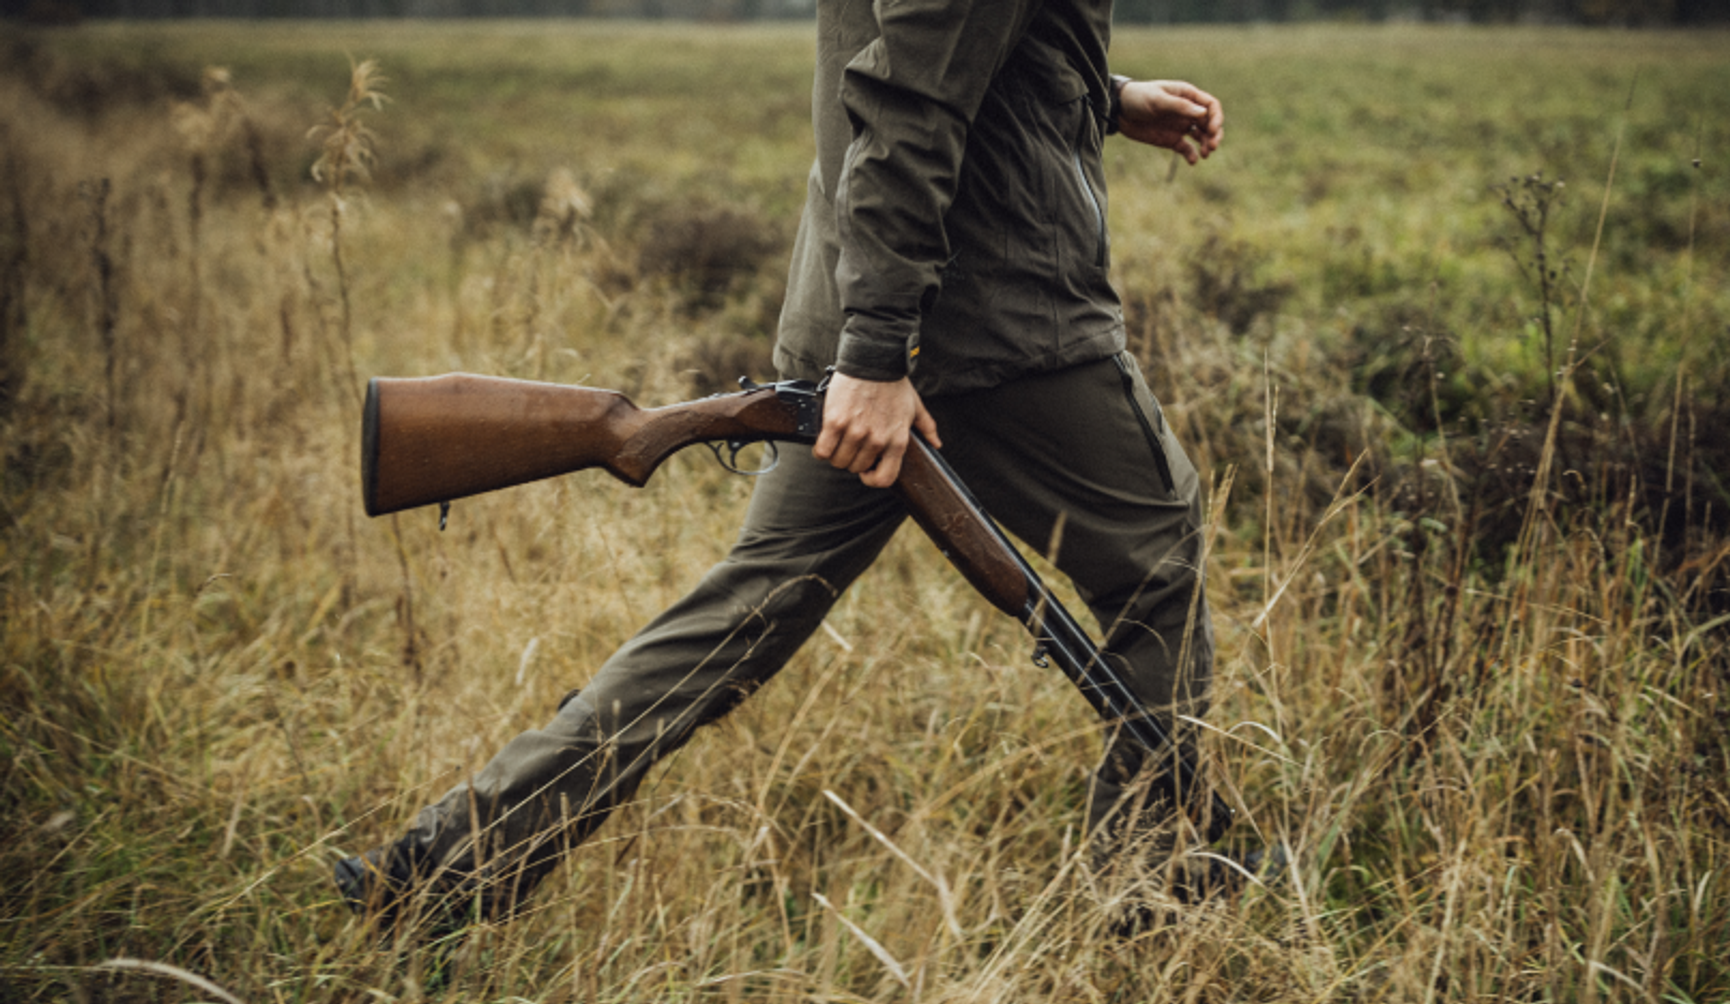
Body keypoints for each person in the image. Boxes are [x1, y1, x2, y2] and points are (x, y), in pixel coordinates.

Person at [334, 0, 1231, 935]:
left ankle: (440, 869)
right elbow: (911, 98)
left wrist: (1099, 95)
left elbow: (928, 41)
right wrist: (878, 357)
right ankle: (1153, 901)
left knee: (750, 605)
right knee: (1157, 560)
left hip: (871, 314)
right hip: (992, 323)